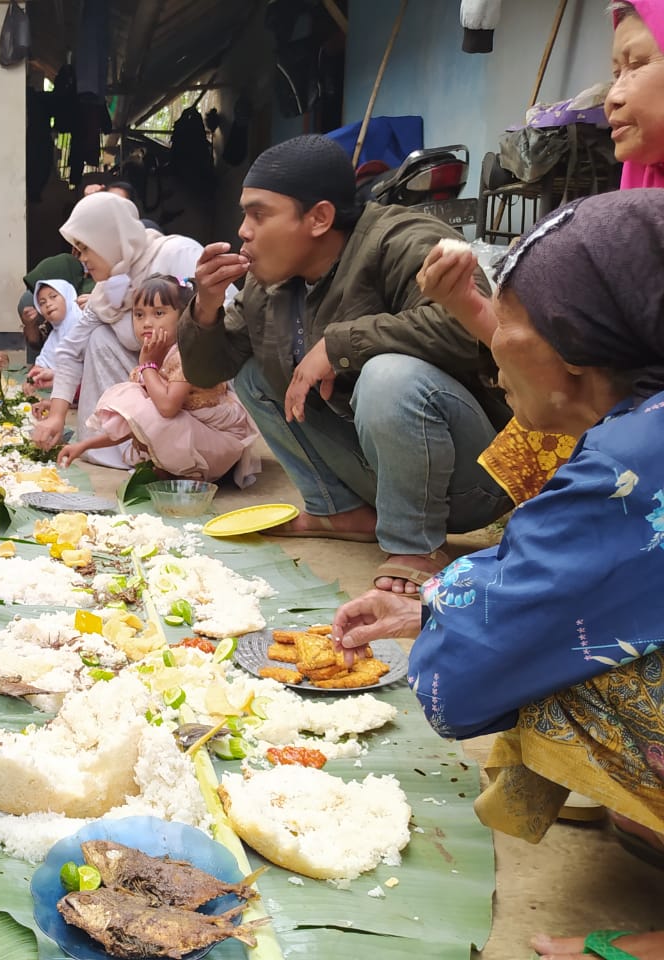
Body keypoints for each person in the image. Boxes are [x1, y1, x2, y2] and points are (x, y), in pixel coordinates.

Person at [332, 190, 664, 960]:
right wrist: (430, 605)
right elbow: (549, 555)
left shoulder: (630, 463)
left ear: (578, 356)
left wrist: (448, 627)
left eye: (505, 323)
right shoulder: (636, 419)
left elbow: (475, 665)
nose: (492, 345)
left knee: (551, 659)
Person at [178, 134, 512, 593]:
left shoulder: (404, 241)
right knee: (254, 374)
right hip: (380, 471)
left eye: (259, 214)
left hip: (475, 476)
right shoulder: (268, 284)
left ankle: (415, 545)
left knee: (388, 374)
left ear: (319, 218)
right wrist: (205, 307)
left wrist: (339, 346)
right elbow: (204, 373)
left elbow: (472, 329)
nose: (244, 231)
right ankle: (339, 511)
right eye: (244, 215)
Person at [417, 0, 664, 509]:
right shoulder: (629, 206)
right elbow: (560, 370)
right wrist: (463, 300)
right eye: (614, 72)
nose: (611, 98)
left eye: (638, 65)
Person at [30, 192, 203, 468]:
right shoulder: (105, 292)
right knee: (99, 337)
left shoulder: (175, 255)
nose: (82, 259)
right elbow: (71, 351)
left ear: (108, 237)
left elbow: (224, 320)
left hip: (196, 387)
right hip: (152, 381)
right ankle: (120, 448)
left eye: (86, 248)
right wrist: (57, 416)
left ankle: (185, 451)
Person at [57, 274, 261, 485]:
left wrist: (147, 366)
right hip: (195, 433)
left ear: (183, 316)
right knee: (135, 399)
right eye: (138, 315)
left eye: (159, 313)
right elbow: (136, 423)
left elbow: (167, 408)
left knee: (144, 402)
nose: (146, 323)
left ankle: (192, 471)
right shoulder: (158, 353)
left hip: (220, 441)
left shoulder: (186, 352)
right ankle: (179, 470)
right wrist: (84, 446)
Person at [19, 251, 93, 367]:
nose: (47, 304)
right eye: (41, 302)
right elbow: (39, 345)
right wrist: (30, 325)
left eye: (53, 296)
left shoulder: (91, 301)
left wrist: (98, 305)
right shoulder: (48, 307)